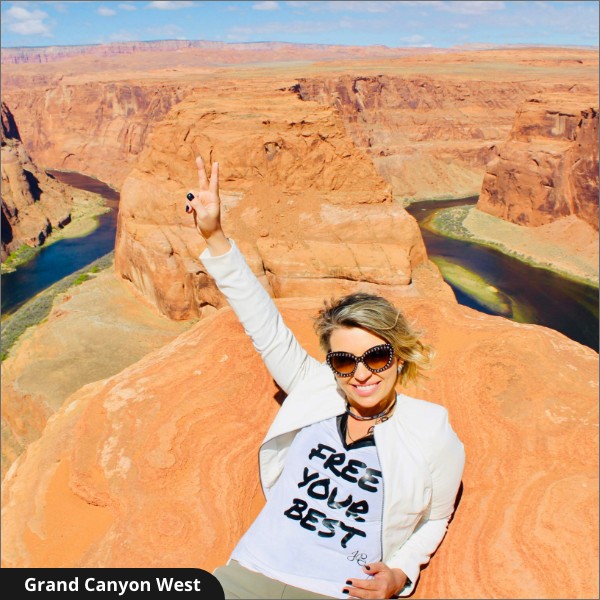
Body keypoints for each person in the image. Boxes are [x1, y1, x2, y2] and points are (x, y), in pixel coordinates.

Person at [185, 155, 465, 599]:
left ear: (399, 356)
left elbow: (435, 519)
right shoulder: (315, 389)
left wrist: (400, 573)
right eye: (343, 362)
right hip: (249, 571)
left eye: (376, 357)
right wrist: (214, 235)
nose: (360, 374)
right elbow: (263, 323)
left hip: (335, 591)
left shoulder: (430, 428)